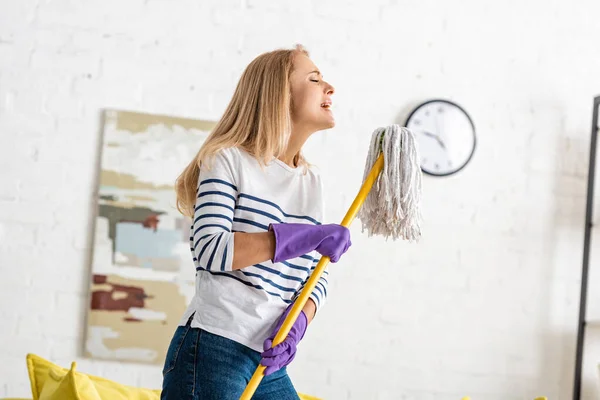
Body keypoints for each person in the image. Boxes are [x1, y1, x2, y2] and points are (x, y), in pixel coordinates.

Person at [161, 44, 352, 400]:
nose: (330, 88)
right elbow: (210, 250)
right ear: (279, 94)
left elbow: (317, 274)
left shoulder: (311, 181)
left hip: (266, 360)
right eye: (314, 79)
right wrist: (304, 236)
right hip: (213, 348)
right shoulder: (227, 160)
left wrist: (299, 322)